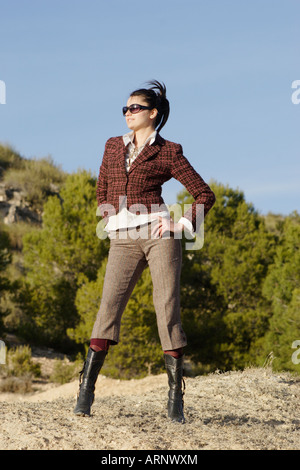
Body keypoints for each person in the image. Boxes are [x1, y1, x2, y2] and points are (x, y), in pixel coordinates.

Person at [74, 80, 215, 423]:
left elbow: (203, 194)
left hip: (158, 234)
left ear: (153, 113)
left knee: (166, 307)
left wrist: (179, 224)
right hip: (122, 236)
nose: (128, 114)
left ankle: (174, 400)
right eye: (125, 109)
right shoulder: (111, 146)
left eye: (134, 108)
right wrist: (109, 219)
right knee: (108, 307)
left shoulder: (169, 151)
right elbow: (102, 187)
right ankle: (85, 394)